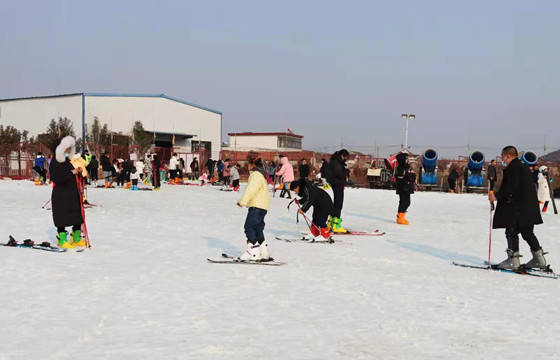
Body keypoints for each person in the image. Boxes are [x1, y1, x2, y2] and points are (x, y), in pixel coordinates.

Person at [489, 146, 548, 270]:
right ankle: (539, 260)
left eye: (502, 156)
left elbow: (511, 188)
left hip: (518, 207)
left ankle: (513, 260)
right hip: (529, 206)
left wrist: (496, 196)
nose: (502, 159)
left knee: (511, 231)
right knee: (527, 232)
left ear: (508, 155)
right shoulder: (523, 166)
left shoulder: (513, 168)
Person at [49, 136, 85, 249]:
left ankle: (76, 238)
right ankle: (62, 238)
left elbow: (71, 174)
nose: (69, 151)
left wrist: (78, 172)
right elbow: (56, 178)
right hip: (61, 195)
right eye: (67, 148)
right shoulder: (55, 162)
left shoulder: (67, 162)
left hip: (72, 194)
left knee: (76, 216)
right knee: (62, 217)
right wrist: (72, 172)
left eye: (70, 148)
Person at [237, 157, 271, 261]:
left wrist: (242, 201)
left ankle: (253, 253)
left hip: (257, 205)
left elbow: (251, 190)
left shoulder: (255, 175)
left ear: (252, 165)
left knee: (249, 227)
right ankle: (264, 252)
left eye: (248, 164)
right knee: (257, 228)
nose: (247, 167)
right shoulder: (261, 175)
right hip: (263, 206)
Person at [327, 149, 349, 232]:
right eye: (345, 157)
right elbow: (339, 173)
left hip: (336, 183)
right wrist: (346, 173)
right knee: (339, 204)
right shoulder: (337, 162)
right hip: (337, 184)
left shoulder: (335, 160)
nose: (345, 159)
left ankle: (331, 223)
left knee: (336, 203)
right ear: (342, 156)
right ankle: (336, 225)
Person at [395, 152, 416, 225]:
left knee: (408, 202)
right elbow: (401, 179)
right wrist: (409, 175)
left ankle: (402, 216)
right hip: (403, 188)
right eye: (406, 158)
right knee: (403, 202)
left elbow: (412, 177)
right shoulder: (400, 168)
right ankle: (400, 218)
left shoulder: (408, 167)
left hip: (408, 187)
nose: (407, 160)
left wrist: (412, 174)